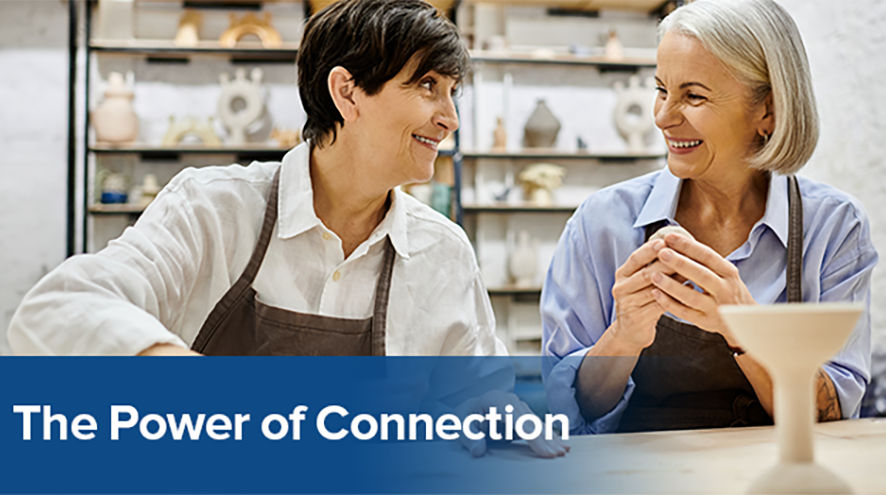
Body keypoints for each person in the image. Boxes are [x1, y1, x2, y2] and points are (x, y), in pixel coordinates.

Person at [9, 0, 496, 358]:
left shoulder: (444, 252)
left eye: (453, 92)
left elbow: (483, 402)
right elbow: (58, 308)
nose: (450, 117)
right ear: (348, 93)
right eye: (428, 85)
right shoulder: (212, 210)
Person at [541, 0, 877, 435]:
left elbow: (832, 413)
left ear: (768, 111)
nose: (662, 117)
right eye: (661, 90)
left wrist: (745, 328)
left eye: (693, 96)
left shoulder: (833, 227)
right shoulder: (600, 223)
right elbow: (570, 413)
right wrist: (623, 336)